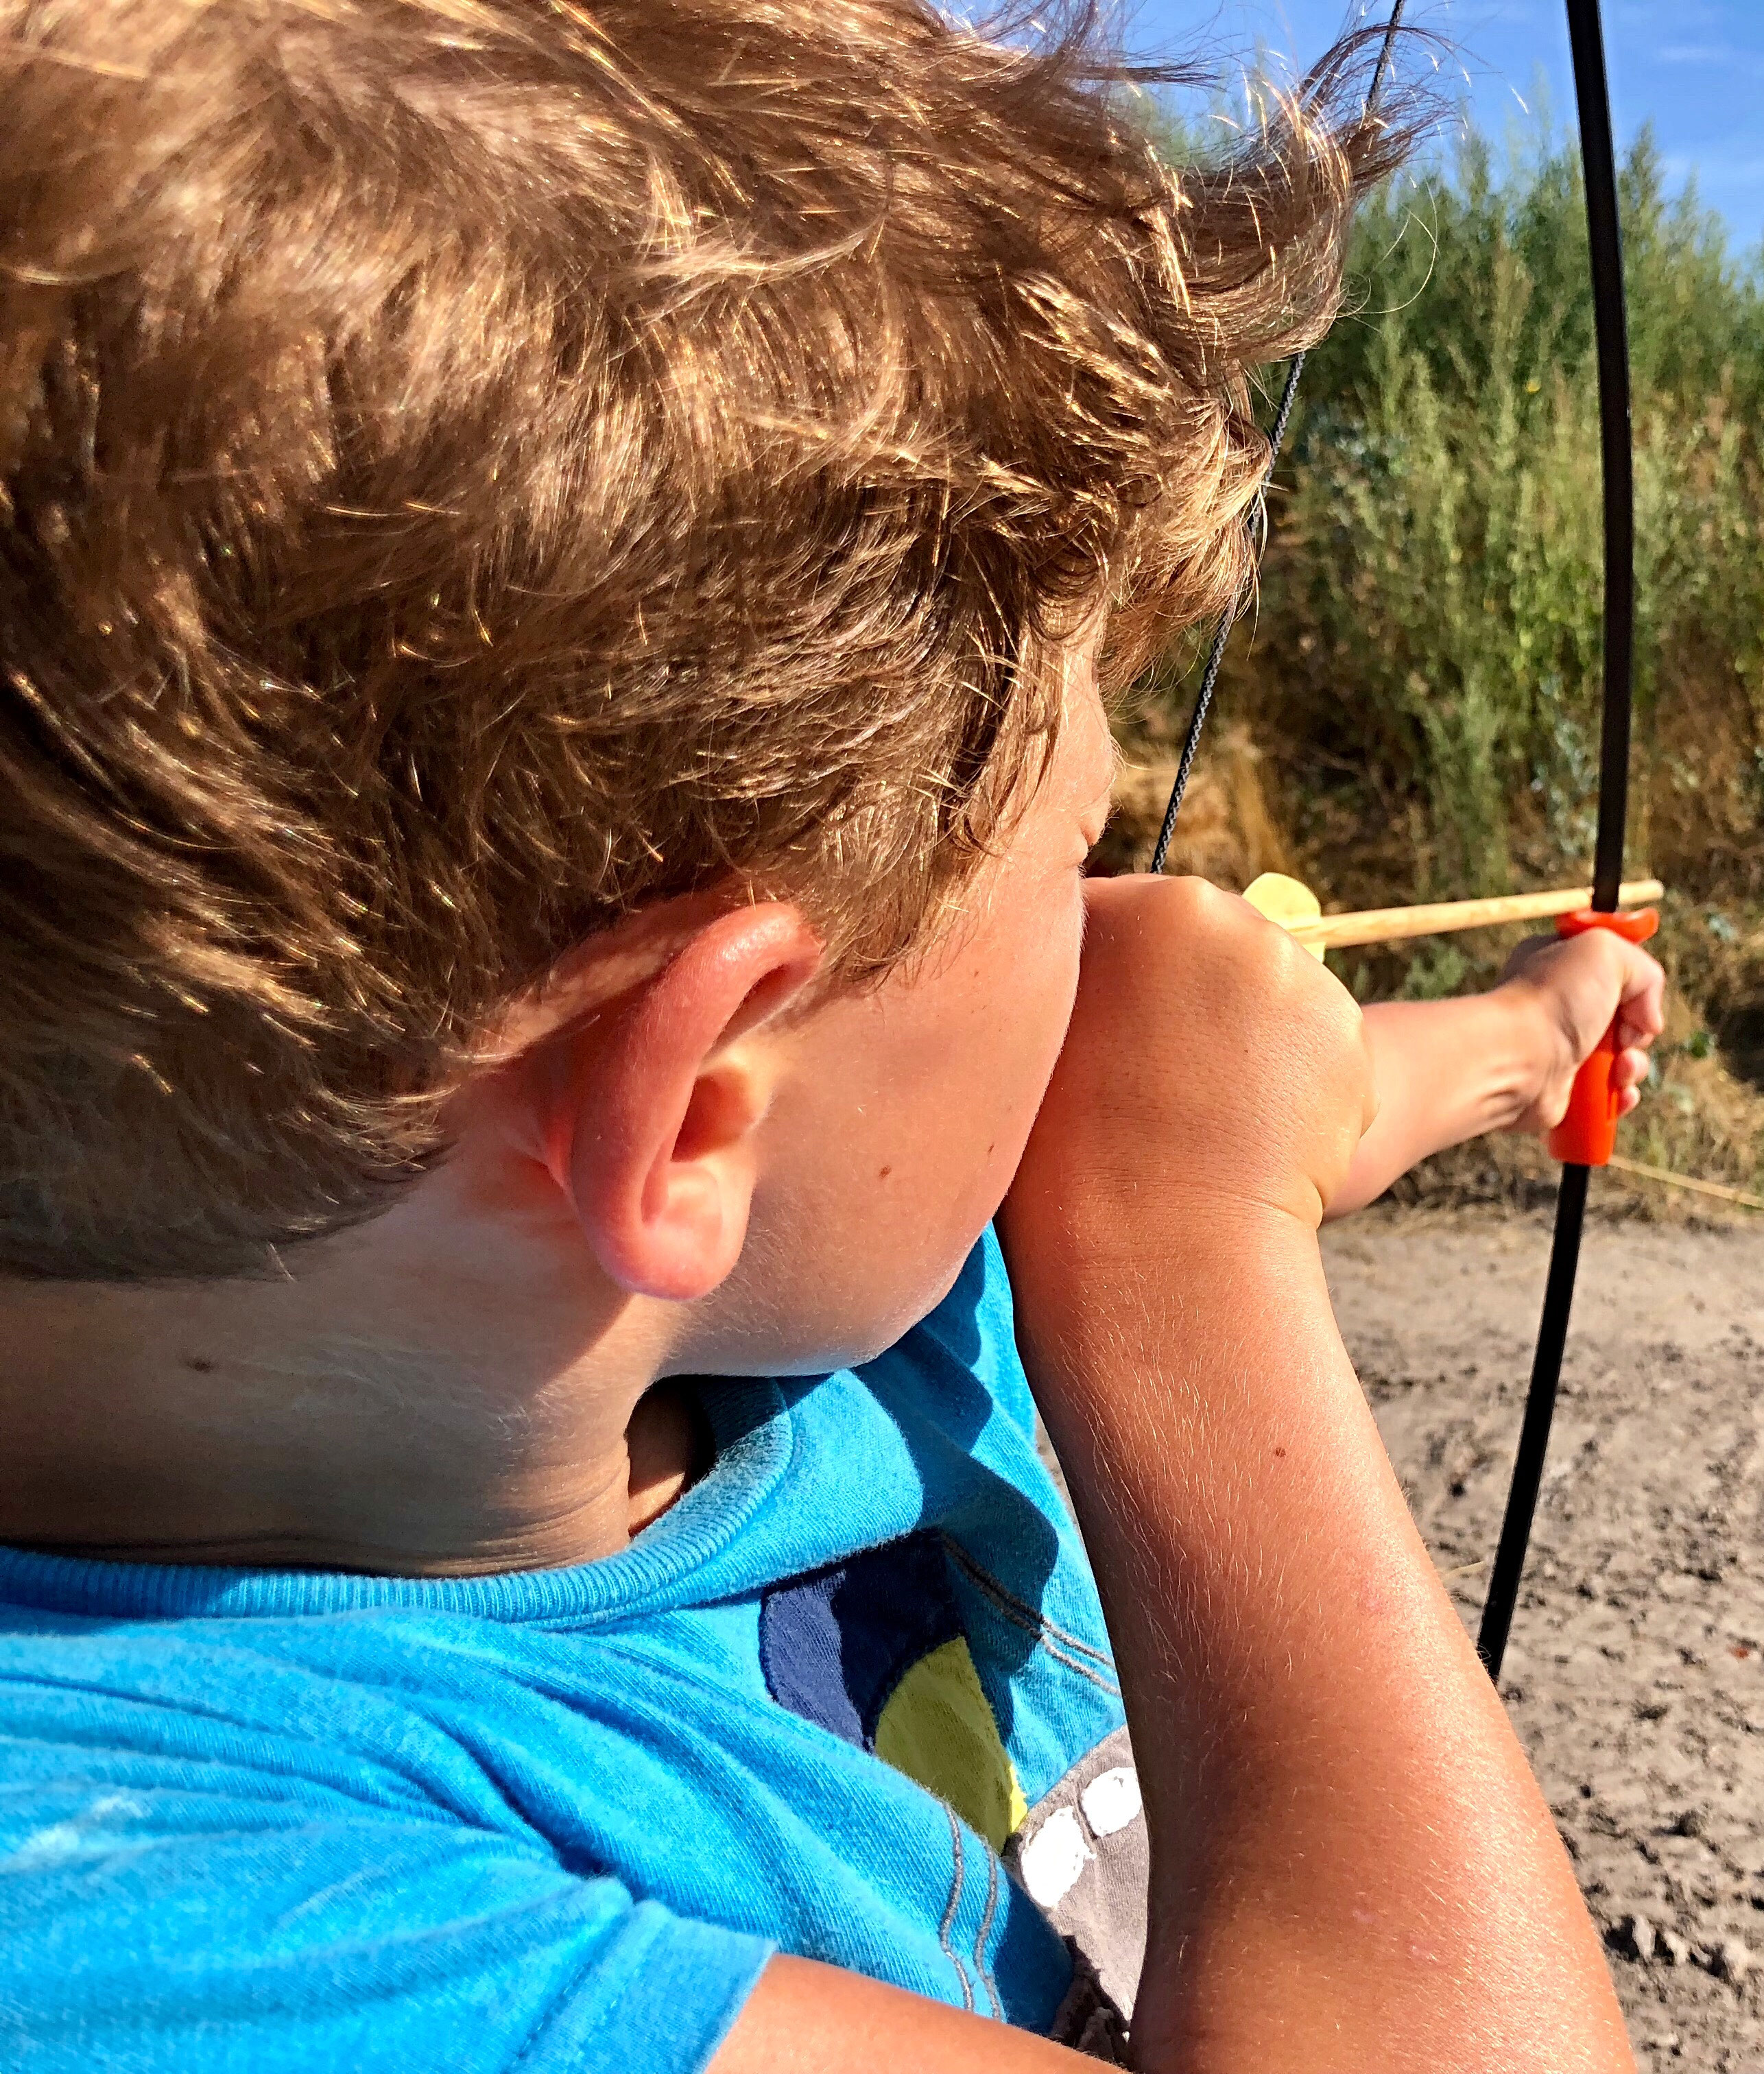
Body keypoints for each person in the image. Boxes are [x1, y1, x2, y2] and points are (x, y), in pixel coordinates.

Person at [0, 3, 1662, 2070]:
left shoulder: (736, 1257)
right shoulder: (174, 1946)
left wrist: (1530, 1030)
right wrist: (1189, 1256)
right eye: (1074, 855)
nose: (1122, 925)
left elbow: (1269, 1106)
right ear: (693, 1108)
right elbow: (1179, 1169)